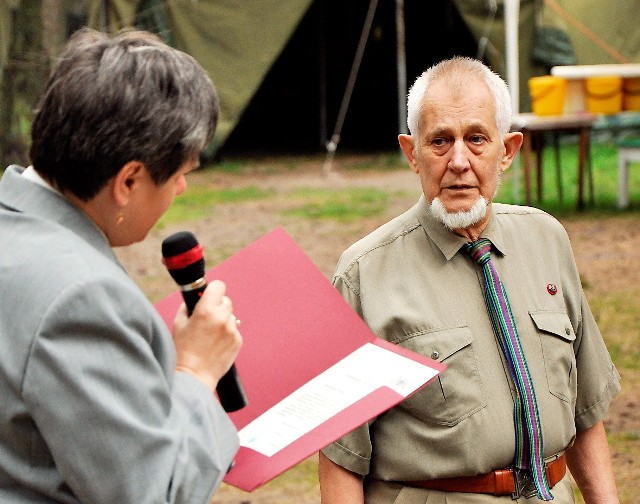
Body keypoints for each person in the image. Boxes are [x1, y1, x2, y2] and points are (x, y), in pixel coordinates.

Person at [318, 57, 621, 504]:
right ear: (411, 153)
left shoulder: (547, 239)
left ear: (508, 150)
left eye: (476, 139)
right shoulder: (364, 274)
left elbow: (586, 413)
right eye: (440, 141)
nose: (459, 161)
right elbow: (340, 458)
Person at [0, 29, 242, 503]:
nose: (182, 191)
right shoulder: (81, 296)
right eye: (179, 175)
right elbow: (153, 493)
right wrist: (195, 370)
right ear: (129, 180)